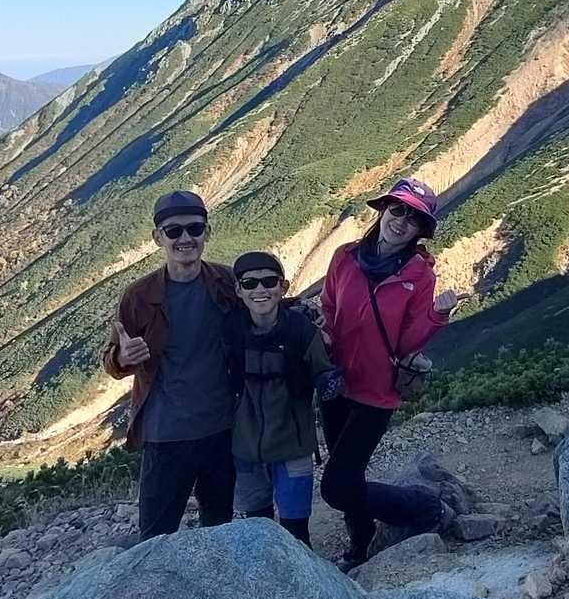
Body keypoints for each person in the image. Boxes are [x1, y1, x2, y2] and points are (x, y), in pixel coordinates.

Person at [319, 176, 469, 569]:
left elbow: (405, 343)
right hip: (336, 385)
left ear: (421, 230)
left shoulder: (420, 276)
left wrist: (437, 314)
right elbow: (329, 307)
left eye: (413, 218)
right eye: (397, 209)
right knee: (348, 475)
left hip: (376, 394)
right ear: (383, 211)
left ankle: (421, 506)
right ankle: (360, 543)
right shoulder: (345, 257)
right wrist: (323, 334)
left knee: (336, 487)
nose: (401, 221)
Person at [103, 190, 241, 541]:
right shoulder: (138, 296)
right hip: (166, 434)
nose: (185, 238)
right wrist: (122, 358)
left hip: (221, 429)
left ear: (207, 233)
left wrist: (308, 318)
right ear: (158, 238)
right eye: (174, 231)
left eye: (195, 229)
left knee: (218, 531)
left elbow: (264, 310)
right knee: (155, 537)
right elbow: (112, 360)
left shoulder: (226, 283)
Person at [225, 251, 342, 547]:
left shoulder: (301, 330)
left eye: (269, 282)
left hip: (291, 447)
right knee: (257, 526)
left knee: (296, 531)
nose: (260, 289)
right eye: (250, 283)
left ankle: (297, 574)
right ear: (238, 290)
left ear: (283, 287)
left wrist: (330, 381)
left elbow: (321, 369)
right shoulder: (230, 330)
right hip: (246, 448)